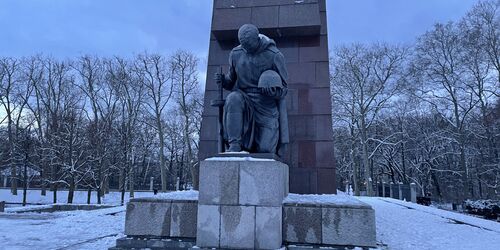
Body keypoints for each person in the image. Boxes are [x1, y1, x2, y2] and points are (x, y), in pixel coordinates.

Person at [215, 24, 289, 154]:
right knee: (233, 98)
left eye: (249, 45)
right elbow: (231, 81)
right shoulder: (235, 54)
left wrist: (273, 92)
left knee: (266, 150)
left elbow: (284, 88)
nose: (247, 49)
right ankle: (234, 145)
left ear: (257, 38)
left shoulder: (274, 55)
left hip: (265, 104)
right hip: (243, 98)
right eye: (244, 45)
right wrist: (223, 81)